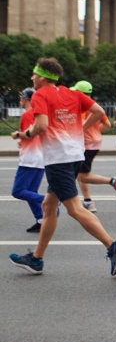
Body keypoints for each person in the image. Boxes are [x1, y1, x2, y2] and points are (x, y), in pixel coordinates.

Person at [9, 57, 116, 276]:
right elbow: (99, 111)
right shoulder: (72, 93)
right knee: (48, 206)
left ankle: (112, 246)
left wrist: (25, 134)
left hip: (58, 159)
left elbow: (41, 125)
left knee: (74, 208)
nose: (31, 78)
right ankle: (36, 259)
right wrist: (80, 129)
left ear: (42, 77)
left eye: (33, 75)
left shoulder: (40, 95)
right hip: (74, 155)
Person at [71, 80, 116, 213]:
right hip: (95, 143)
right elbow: (107, 124)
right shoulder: (95, 106)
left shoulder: (81, 107)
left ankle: (113, 181)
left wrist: (86, 132)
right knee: (81, 174)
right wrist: (94, 132)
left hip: (85, 144)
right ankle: (88, 201)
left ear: (79, 93)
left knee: (81, 176)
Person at [10, 87, 45, 233]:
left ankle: (49, 201)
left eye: (21, 97)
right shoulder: (39, 114)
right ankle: (41, 220)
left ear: (26, 99)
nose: (20, 100)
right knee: (31, 191)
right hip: (41, 158)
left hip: (29, 158)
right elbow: (35, 133)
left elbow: (27, 134)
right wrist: (22, 139)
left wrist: (17, 135)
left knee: (18, 191)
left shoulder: (26, 115)